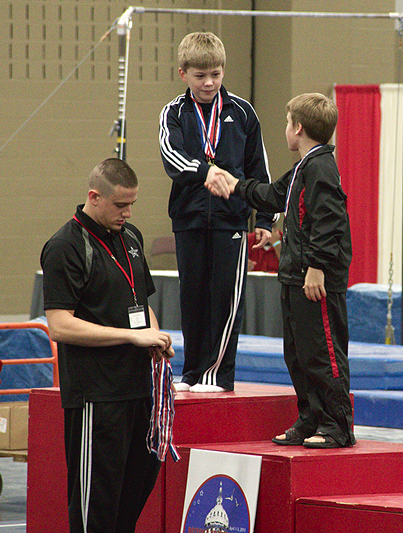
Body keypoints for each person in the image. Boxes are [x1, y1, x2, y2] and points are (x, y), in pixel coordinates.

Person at [205, 93, 355, 448]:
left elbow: (330, 221)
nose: (286, 129)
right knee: (298, 354)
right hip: (295, 276)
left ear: (298, 128)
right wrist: (234, 184)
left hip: (315, 279)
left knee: (322, 353)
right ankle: (311, 417)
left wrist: (317, 266)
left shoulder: (321, 167)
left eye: (288, 123)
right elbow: (274, 195)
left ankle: (337, 424)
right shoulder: (305, 166)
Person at [40, 158, 174, 533]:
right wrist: (131, 335)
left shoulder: (131, 237)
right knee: (95, 509)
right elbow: (59, 325)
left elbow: (141, 303)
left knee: (131, 500)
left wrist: (155, 337)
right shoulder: (65, 246)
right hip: (96, 397)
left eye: (132, 204)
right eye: (120, 205)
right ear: (94, 197)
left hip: (139, 391)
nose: (127, 213)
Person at [159, 31, 274, 393]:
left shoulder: (242, 112)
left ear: (224, 70)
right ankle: (193, 372)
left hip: (231, 220)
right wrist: (205, 171)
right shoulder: (174, 112)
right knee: (192, 297)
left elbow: (258, 169)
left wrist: (265, 219)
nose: (209, 83)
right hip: (189, 217)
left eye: (216, 74)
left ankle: (217, 375)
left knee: (225, 298)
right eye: (200, 76)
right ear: (183, 74)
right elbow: (171, 157)